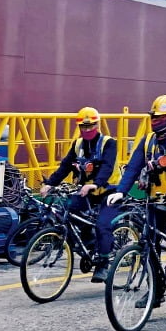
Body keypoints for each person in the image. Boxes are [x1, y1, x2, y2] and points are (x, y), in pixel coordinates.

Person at [104, 95, 166, 305]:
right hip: (157, 195)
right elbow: (133, 167)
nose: (155, 121)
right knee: (149, 240)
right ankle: (156, 291)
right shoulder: (147, 141)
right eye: (154, 118)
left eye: (160, 118)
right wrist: (121, 190)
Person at [42, 107, 118, 282]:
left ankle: (103, 264)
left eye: (90, 126)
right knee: (67, 210)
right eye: (83, 127)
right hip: (87, 191)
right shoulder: (77, 144)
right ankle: (89, 240)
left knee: (103, 225)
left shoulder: (108, 143)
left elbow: (107, 167)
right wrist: (50, 183)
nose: (86, 130)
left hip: (109, 191)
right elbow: (65, 166)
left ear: (97, 125)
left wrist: (94, 184)